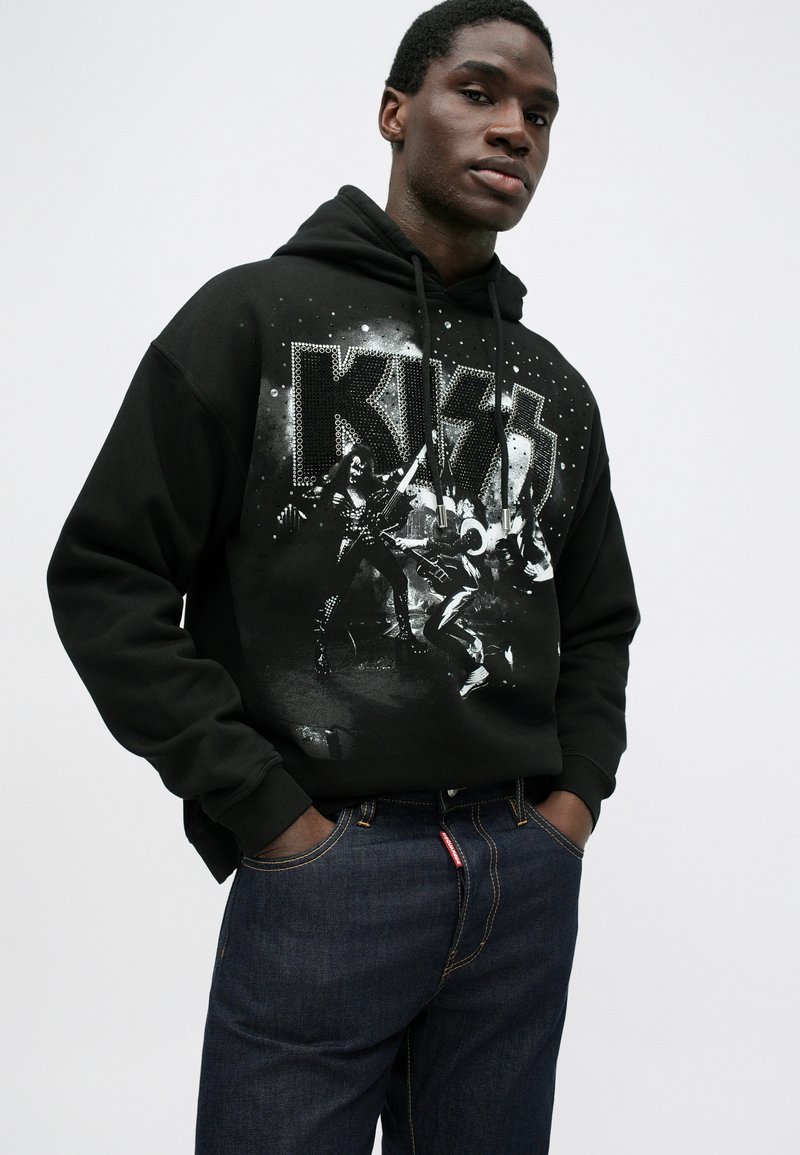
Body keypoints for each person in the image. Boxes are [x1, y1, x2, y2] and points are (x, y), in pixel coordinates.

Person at [47, 1, 639, 1150]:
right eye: (478, 92)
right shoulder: (250, 317)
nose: (513, 128)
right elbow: (107, 576)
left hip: (517, 874)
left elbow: (598, 616)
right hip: (328, 869)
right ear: (394, 111)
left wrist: (568, 807)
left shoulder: (552, 387)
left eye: (539, 113)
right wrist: (266, 814)